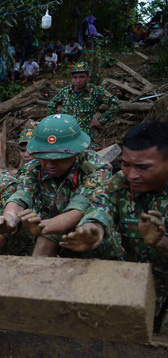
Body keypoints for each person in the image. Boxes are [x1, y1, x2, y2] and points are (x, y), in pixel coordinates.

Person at [60, 122, 168, 332]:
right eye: (126, 164)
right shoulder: (121, 182)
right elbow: (101, 205)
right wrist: (93, 229)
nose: (131, 175)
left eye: (143, 167)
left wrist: (161, 242)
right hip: (134, 281)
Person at [0, 114, 112, 257]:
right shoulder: (34, 167)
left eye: (58, 158)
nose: (50, 165)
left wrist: (43, 227)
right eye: (44, 157)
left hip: (89, 233)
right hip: (51, 232)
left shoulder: (95, 168)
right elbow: (22, 195)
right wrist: (8, 219)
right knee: (44, 243)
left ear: (76, 152)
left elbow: (80, 208)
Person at [47, 62, 119, 143]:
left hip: (86, 134)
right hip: (67, 132)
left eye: (82, 77)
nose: (78, 80)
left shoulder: (95, 91)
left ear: (88, 77)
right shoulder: (66, 92)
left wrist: (101, 120)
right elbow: (51, 105)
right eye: (75, 77)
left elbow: (115, 103)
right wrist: (58, 122)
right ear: (72, 78)